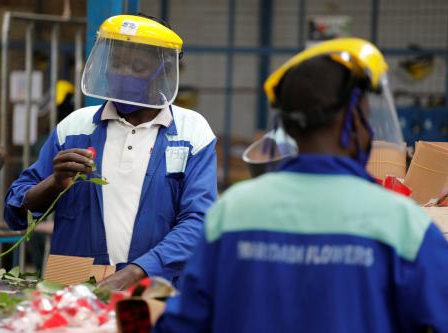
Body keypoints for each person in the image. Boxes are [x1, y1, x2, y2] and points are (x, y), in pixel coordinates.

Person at [153, 38, 448, 332]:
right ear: (350, 123)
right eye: (366, 119)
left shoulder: (232, 211)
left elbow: (185, 322)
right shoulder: (403, 224)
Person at [4, 14, 217, 290]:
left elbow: (198, 222)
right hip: (73, 279)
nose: (123, 73)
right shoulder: (75, 127)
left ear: (163, 69)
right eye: (116, 63)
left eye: (137, 65)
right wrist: (55, 183)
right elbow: (16, 206)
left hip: (156, 284)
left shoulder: (192, 132)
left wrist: (135, 272)